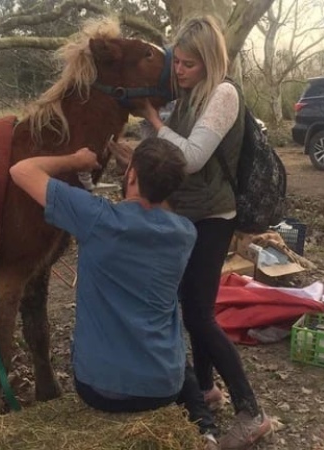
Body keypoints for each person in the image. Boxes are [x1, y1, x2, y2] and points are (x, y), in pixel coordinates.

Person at [108, 16, 272, 450]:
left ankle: (251, 411)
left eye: (188, 64)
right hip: (189, 214)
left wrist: (154, 122)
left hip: (214, 215)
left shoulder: (223, 94)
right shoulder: (187, 96)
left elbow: (194, 157)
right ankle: (205, 388)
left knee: (199, 313)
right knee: (190, 305)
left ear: (210, 61)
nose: (178, 72)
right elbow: (167, 151)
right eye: (176, 63)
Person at [10, 138, 221, 450]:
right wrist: (145, 174)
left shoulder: (96, 218)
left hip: (99, 389)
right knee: (173, 344)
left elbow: (22, 170)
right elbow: (153, 206)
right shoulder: (185, 233)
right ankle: (206, 430)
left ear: (131, 176)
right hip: (163, 387)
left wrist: (75, 160)